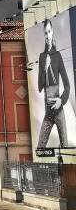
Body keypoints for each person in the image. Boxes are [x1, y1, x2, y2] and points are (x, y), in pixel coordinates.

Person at [37, 18, 70, 148]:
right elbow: (40, 86)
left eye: (49, 31)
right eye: (45, 33)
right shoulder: (41, 57)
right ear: (43, 35)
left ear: (52, 32)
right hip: (48, 112)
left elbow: (67, 85)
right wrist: (44, 69)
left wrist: (61, 100)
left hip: (59, 109)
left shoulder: (57, 55)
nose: (47, 35)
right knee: (40, 148)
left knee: (66, 147)